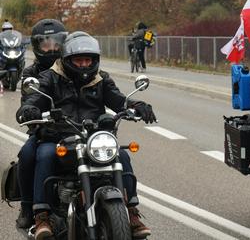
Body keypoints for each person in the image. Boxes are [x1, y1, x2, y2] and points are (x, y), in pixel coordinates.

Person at [16, 31, 156, 240]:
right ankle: (41, 216)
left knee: (122, 156)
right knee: (44, 155)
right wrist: (29, 109)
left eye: (87, 60)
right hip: (58, 137)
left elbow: (117, 99)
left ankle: (132, 212)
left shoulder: (101, 79)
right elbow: (34, 98)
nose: (83, 65)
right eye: (78, 60)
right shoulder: (50, 77)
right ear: (67, 60)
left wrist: (136, 105)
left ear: (94, 60)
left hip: (93, 138)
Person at [15, 19, 68, 229]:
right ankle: (28, 208)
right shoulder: (30, 73)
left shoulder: (71, 66)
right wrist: (31, 113)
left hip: (73, 128)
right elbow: (27, 102)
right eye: (46, 44)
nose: (52, 48)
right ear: (38, 47)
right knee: (27, 154)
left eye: (56, 42)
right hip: (43, 130)